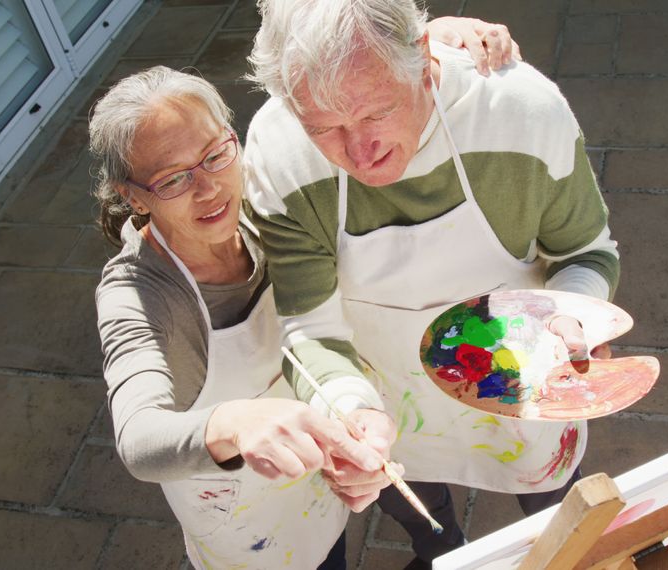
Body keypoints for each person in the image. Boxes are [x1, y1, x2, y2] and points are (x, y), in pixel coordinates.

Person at [90, 19, 522, 570]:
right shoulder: (138, 294)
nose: (209, 188)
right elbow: (139, 437)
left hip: (336, 434)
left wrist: (423, 41)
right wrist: (232, 424)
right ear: (135, 197)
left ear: (234, 138)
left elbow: (335, 83)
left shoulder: (266, 200)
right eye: (173, 179)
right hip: (254, 523)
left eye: (216, 155)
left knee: (418, 505)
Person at [243, 0, 620, 567]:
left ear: (422, 58)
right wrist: (355, 415)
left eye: (375, 112)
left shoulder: (521, 111)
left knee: (547, 491)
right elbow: (310, 330)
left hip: (521, 381)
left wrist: (575, 315)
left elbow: (586, 253)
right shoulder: (278, 150)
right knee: (412, 498)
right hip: (383, 399)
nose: (359, 153)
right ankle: (441, 547)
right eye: (324, 128)